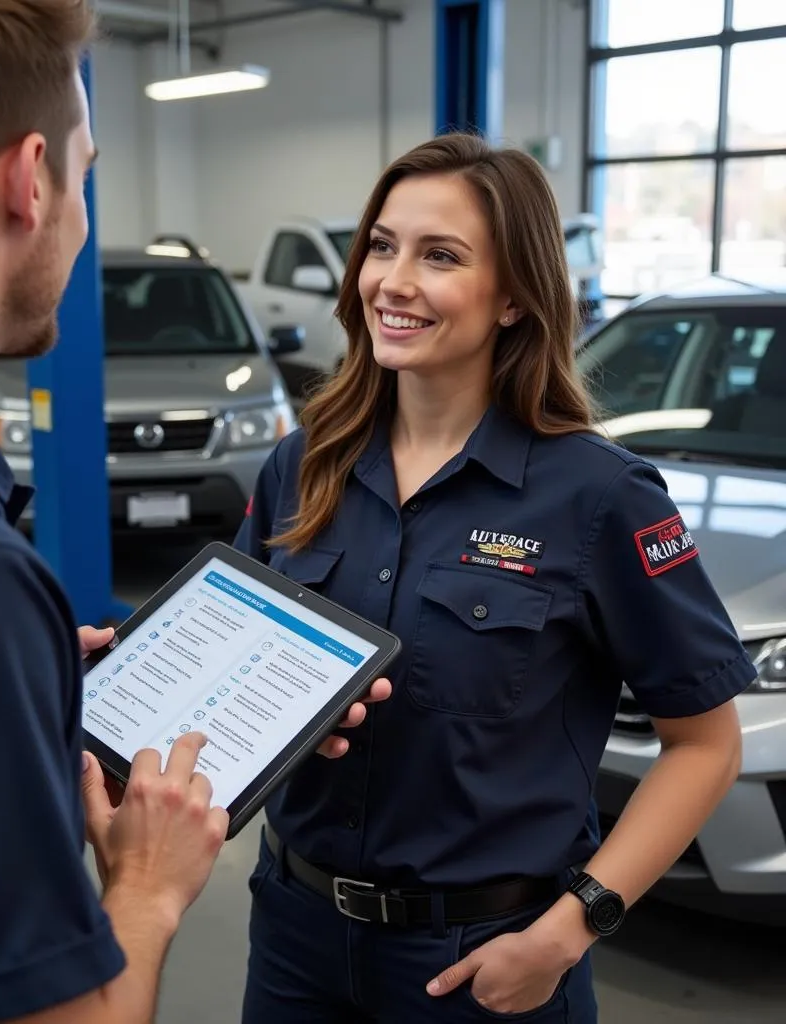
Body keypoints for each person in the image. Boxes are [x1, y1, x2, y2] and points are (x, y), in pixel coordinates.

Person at [0, 3, 384, 1023]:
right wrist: (145, 885)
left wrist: (8, 695)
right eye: (84, 173)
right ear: (27, 177)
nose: (81, 213)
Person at [233, 131, 751, 1023]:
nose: (393, 281)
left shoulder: (600, 496)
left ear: (513, 296)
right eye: (383, 246)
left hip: (484, 969)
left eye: (441, 256)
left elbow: (707, 745)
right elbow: (234, 662)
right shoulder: (302, 463)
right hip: (295, 937)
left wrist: (570, 929)